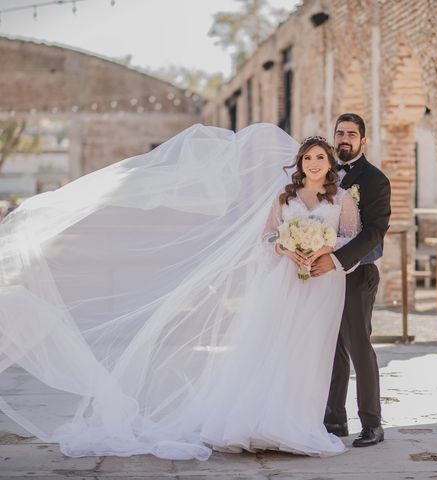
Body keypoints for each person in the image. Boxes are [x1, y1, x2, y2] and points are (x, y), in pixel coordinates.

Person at [0, 125, 360, 460]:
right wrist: (286, 248)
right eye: (308, 158)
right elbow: (266, 237)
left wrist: (325, 251)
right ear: (300, 164)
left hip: (323, 283)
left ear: (330, 164)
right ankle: (267, 424)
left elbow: (351, 238)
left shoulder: (341, 199)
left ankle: (301, 423)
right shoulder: (284, 197)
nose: (313, 164)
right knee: (274, 348)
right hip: (283, 281)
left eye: (320, 158)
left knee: (311, 352)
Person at [313, 113, 391, 447]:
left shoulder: (375, 180)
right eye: (340, 133)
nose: (345, 139)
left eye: (352, 134)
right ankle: (334, 421)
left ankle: (372, 423)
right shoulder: (321, 174)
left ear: (363, 140)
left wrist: (337, 259)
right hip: (321, 276)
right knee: (331, 348)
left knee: (359, 346)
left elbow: (375, 231)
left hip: (357, 272)